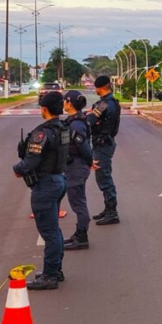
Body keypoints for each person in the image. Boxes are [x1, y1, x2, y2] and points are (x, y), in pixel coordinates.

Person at [14, 91, 69, 290]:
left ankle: (49, 276)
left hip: (45, 185)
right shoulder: (63, 128)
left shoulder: (42, 133)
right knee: (54, 230)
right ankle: (55, 270)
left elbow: (30, 161)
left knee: (49, 232)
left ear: (44, 109)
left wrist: (17, 169)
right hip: (59, 179)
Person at [88, 75, 122, 225]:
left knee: (104, 177)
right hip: (105, 142)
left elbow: (90, 121)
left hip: (103, 144)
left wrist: (87, 115)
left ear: (100, 87)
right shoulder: (112, 102)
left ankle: (112, 212)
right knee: (103, 176)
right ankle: (108, 209)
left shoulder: (103, 104)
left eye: (96, 87)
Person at [62, 91, 93, 250]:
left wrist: (89, 162)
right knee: (77, 200)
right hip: (74, 165)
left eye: (65, 100)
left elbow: (84, 147)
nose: (63, 103)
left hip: (77, 167)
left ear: (70, 103)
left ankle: (82, 237)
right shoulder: (74, 120)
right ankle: (79, 233)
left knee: (78, 202)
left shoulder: (76, 124)